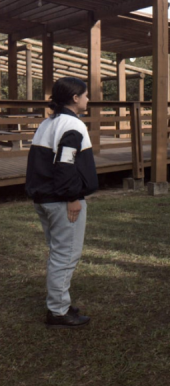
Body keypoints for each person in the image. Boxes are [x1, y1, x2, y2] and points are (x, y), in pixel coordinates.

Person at [26, 77, 98, 328]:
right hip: (61, 200)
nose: (88, 99)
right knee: (65, 256)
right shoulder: (72, 125)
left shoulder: (48, 122)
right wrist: (72, 198)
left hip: (44, 198)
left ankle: (60, 303)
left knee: (58, 253)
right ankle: (58, 312)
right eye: (86, 95)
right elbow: (66, 164)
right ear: (75, 98)